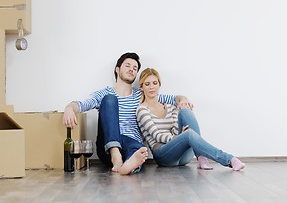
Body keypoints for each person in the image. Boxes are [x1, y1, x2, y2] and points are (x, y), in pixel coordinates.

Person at [63, 53, 192, 175]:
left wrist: (183, 100)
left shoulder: (141, 95)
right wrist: (69, 108)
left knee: (138, 150)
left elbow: (175, 99)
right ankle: (116, 155)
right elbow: (82, 104)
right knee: (109, 100)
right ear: (117, 70)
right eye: (128, 66)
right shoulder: (105, 93)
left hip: (132, 141)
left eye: (135, 68)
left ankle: (129, 166)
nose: (132, 69)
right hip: (108, 147)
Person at [136, 68, 246, 171]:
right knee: (189, 134)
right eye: (147, 84)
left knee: (185, 110)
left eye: (155, 83)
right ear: (141, 87)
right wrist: (180, 137)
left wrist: (180, 137)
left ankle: (200, 156)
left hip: (182, 158)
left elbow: (175, 130)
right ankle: (229, 159)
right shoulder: (142, 110)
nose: (152, 87)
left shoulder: (169, 107)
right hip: (163, 156)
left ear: (159, 85)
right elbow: (157, 136)